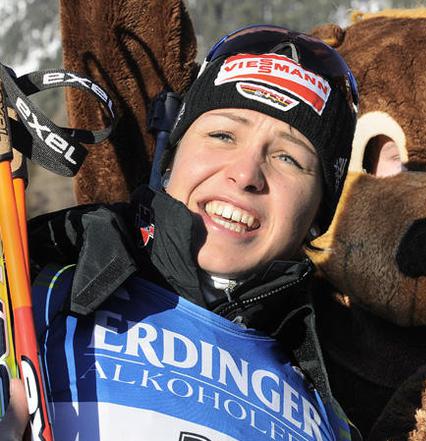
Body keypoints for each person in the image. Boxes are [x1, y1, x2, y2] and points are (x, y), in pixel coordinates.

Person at [0, 24, 358, 441]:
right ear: (173, 157)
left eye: (289, 158)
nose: (245, 174)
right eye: (223, 135)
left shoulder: (326, 410)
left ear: (318, 211)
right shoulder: (42, 279)